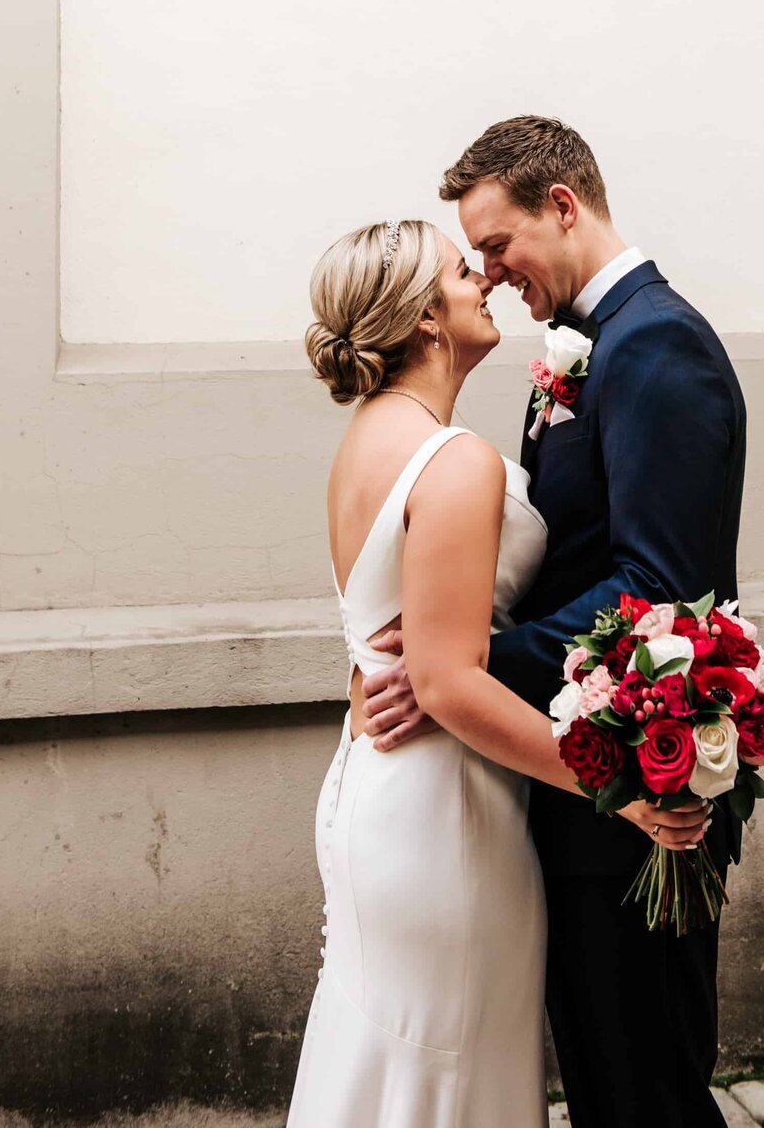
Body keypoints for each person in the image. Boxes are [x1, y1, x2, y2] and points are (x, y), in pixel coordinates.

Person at [360, 118, 748, 1128]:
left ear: (563, 205)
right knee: (608, 1076)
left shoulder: (656, 343)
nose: (488, 273)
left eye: (497, 246)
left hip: (636, 782)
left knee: (645, 1086)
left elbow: (661, 588)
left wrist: (474, 659)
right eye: (475, 257)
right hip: (576, 780)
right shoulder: (588, 344)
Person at [286, 215, 711, 1128]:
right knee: (449, 1069)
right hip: (446, 808)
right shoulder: (455, 459)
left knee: (390, 1059)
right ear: (427, 319)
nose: (482, 276)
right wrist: (618, 792)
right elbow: (443, 680)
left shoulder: (367, 441)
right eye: (457, 268)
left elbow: (399, 650)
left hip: (379, 784)